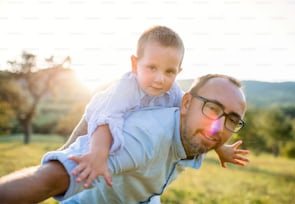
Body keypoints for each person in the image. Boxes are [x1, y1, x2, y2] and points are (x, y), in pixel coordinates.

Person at [0, 74, 249, 204]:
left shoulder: (200, 126)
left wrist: (220, 149)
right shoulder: (141, 137)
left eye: (232, 120)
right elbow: (51, 179)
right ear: (185, 103)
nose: (217, 128)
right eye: (213, 109)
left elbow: (213, 131)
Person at [53, 25, 243, 189]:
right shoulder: (125, 89)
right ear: (135, 64)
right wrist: (97, 154)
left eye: (169, 72)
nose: (160, 79)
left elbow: (196, 121)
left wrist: (220, 148)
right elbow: (105, 121)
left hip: (130, 128)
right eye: (152, 68)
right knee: (68, 156)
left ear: (179, 72)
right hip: (96, 119)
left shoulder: (175, 94)